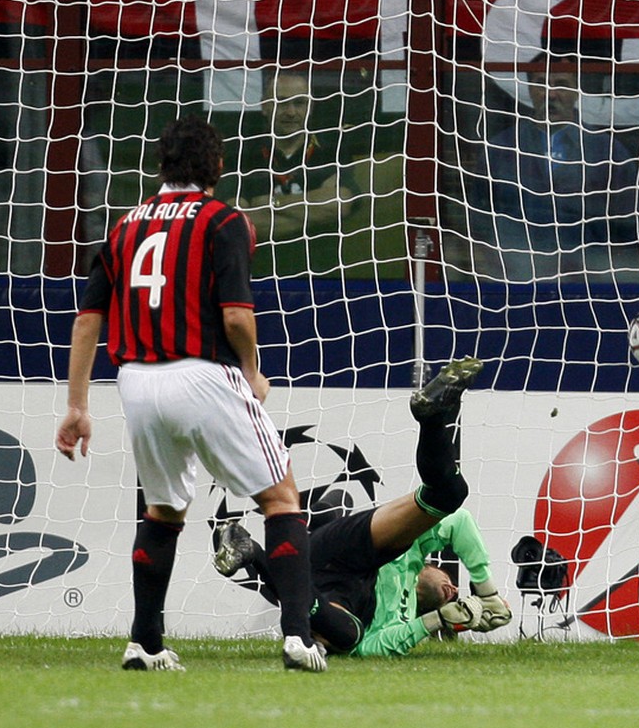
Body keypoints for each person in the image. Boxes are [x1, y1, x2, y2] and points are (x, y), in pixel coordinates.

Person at [55, 116, 326, 673]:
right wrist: (252, 368)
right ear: (217, 167)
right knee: (280, 498)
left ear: (161, 165)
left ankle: (144, 641)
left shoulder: (123, 227)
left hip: (137, 381)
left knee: (162, 511)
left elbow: (87, 321)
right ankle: (299, 636)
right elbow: (235, 316)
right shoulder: (225, 221)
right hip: (203, 373)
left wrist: (77, 405)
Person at [213, 357, 513, 657]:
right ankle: (433, 417)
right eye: (452, 582)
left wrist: (438, 619)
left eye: (451, 598)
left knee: (348, 636)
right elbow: (459, 522)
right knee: (448, 495)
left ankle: (251, 550)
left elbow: (372, 649)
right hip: (344, 552)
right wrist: (487, 594)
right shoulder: (414, 550)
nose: (453, 591)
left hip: (331, 605)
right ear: (432, 566)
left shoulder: (404, 621)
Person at [473, 56, 639, 281]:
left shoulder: (608, 152)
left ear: (577, 90)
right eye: (541, 83)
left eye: (561, 84)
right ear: (530, 89)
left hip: (591, 286)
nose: (551, 94)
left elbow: (629, 227)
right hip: (517, 283)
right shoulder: (500, 150)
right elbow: (477, 222)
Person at [232, 69, 359, 278]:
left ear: (310, 107)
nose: (290, 112)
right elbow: (239, 225)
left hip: (324, 280)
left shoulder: (331, 149)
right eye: (281, 102)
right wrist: (312, 212)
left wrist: (273, 204)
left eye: (299, 103)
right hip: (257, 279)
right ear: (264, 106)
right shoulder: (244, 154)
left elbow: (339, 205)